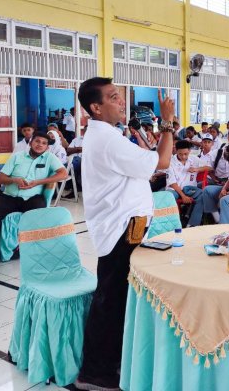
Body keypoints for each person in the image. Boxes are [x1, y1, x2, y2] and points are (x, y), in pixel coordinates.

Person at [75, 77, 174, 391]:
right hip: (119, 229)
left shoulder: (109, 134)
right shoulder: (107, 138)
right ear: (96, 107)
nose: (121, 102)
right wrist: (168, 123)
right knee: (111, 298)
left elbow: (146, 168)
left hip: (129, 226)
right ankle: (95, 374)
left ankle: (112, 363)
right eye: (114, 97)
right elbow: (162, 161)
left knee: (119, 295)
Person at [0, 131, 67, 242]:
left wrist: (38, 182)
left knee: (35, 221)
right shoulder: (17, 157)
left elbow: (63, 174)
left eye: (44, 143)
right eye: (37, 141)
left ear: (47, 147)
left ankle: (26, 243)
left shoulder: (49, 158)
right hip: (10, 196)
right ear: (30, 142)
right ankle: (9, 241)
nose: (40, 145)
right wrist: (14, 180)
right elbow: (0, 179)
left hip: (33, 198)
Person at [166, 140, 207, 226]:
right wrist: (183, 196)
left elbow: (210, 167)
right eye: (180, 154)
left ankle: (192, 224)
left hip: (190, 189)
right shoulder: (170, 162)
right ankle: (173, 224)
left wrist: (197, 169)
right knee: (168, 197)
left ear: (189, 151)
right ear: (175, 150)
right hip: (175, 190)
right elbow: (172, 182)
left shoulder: (194, 159)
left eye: (186, 154)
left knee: (203, 196)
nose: (183, 156)